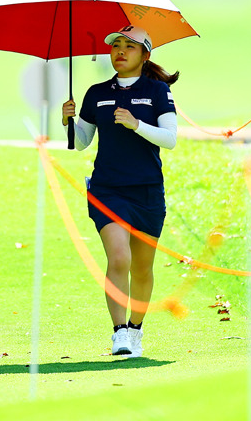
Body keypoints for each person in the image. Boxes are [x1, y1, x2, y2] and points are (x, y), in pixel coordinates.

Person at [60, 23, 179, 359]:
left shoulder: (157, 91)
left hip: (147, 192)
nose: (120, 52)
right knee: (119, 257)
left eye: (129, 47)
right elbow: (80, 144)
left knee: (142, 268)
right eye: (115, 46)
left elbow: (170, 140)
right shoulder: (96, 92)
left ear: (145, 55)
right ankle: (119, 333)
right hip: (108, 190)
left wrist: (136, 124)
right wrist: (69, 121)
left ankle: (137, 330)